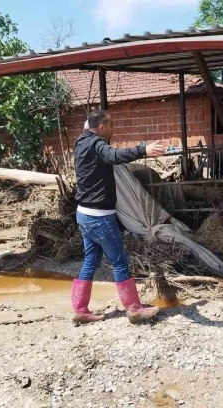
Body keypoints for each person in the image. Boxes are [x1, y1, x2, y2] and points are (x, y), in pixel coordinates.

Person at [71, 109, 165, 324]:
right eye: (111, 125)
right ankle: (133, 308)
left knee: (91, 261)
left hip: (84, 214)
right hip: (100, 217)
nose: (114, 128)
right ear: (102, 127)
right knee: (120, 261)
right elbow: (114, 156)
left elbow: (88, 127)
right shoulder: (98, 145)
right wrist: (144, 150)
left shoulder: (81, 142)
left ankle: (79, 309)